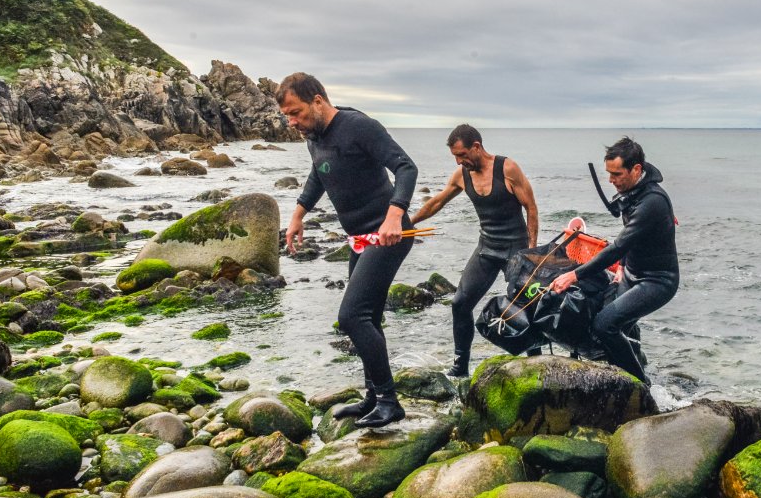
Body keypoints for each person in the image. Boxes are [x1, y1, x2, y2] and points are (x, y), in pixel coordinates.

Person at [277, 73, 418, 428]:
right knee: (367, 317)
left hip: (390, 235)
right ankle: (374, 396)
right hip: (359, 239)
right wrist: (297, 215)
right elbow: (319, 174)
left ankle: (389, 401)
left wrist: (395, 216)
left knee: (352, 316)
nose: (292, 122)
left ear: (318, 101)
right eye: (288, 116)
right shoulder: (314, 136)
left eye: (296, 113)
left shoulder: (360, 126)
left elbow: (406, 167)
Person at [410, 124, 539, 377]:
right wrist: (408, 223)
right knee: (459, 303)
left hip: (516, 248)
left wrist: (532, 253)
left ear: (476, 147)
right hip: (487, 248)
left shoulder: (507, 169)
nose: (460, 161)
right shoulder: (462, 175)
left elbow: (531, 208)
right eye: (456, 157)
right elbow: (436, 201)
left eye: (462, 155)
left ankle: (537, 362)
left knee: (525, 306)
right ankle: (460, 367)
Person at [549, 137, 678, 384]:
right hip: (631, 274)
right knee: (619, 324)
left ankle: (642, 386)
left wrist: (573, 275)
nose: (610, 180)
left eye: (617, 174)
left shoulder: (652, 201)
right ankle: (637, 366)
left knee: (603, 326)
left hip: (658, 281)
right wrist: (621, 267)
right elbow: (634, 239)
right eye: (608, 173)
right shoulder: (634, 191)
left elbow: (619, 246)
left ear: (637, 169)